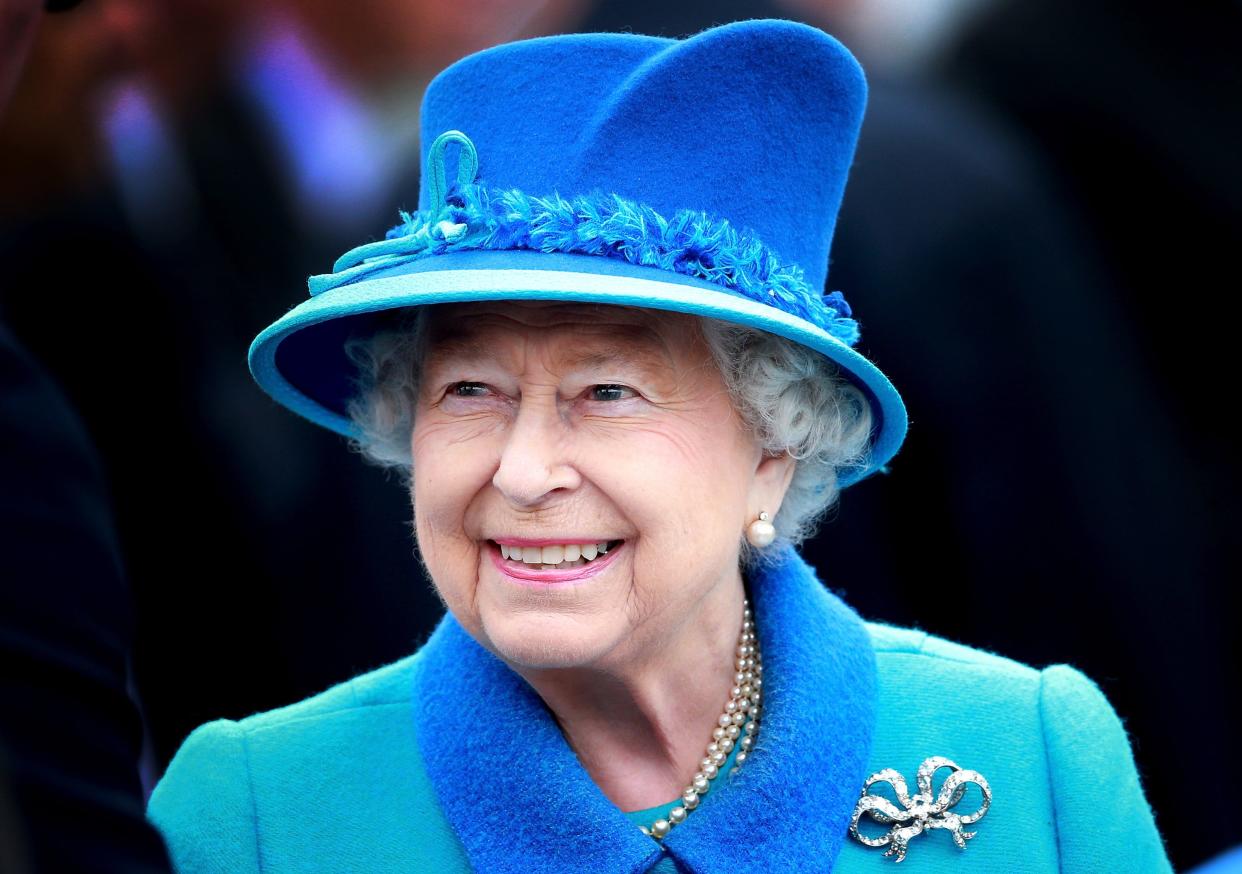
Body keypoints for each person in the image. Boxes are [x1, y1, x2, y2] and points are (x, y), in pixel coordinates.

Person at [144, 19, 1173, 872]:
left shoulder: (1034, 761)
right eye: (469, 390)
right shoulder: (254, 817)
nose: (524, 469)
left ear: (775, 444)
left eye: (607, 391)